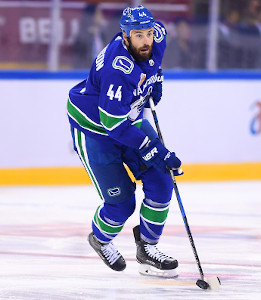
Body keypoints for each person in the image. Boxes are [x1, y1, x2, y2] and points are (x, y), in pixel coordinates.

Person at [67, 5, 183, 277]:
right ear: (125, 35)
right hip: (95, 129)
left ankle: (147, 248)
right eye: (137, 35)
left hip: (125, 116)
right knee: (122, 204)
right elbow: (114, 126)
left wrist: (157, 77)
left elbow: (154, 61)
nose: (146, 41)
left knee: (161, 179)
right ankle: (100, 239)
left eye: (148, 34)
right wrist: (155, 149)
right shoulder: (117, 69)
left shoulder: (159, 36)